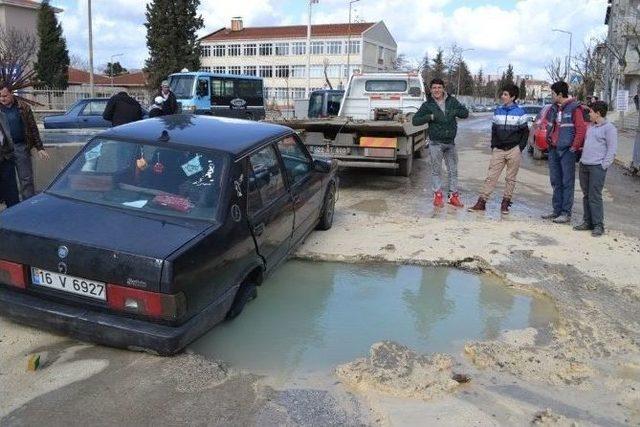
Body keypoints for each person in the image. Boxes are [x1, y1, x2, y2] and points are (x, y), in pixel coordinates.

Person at [469, 84, 529, 214]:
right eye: (503, 94)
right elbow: (494, 130)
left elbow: (525, 132)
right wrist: (493, 145)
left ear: (513, 97)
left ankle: (505, 204)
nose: (503, 96)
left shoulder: (520, 112)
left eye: (506, 94)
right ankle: (481, 202)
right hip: (499, 149)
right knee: (491, 177)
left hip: (514, 149)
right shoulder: (498, 110)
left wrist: (520, 148)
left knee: (510, 179)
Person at [412, 78, 469, 208]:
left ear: (443, 88)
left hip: (450, 143)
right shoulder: (428, 105)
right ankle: (437, 195)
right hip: (435, 143)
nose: (437, 90)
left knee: (453, 171)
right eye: (434, 88)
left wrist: (455, 111)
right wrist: (430, 117)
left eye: (439, 87)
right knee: (436, 170)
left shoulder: (452, 101)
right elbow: (415, 121)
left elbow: (465, 113)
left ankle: (453, 196)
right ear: (431, 90)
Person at [541, 81, 587, 224]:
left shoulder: (574, 108)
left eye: (553, 93)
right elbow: (549, 126)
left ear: (560, 94)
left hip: (567, 151)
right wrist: (549, 141)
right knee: (555, 181)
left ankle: (566, 213)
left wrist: (574, 147)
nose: (551, 95)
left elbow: (581, 130)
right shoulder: (553, 108)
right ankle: (557, 211)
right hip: (553, 149)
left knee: (567, 182)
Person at [574, 101, 617, 237]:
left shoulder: (609, 129)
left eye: (591, 112)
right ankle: (587, 222)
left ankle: (598, 225)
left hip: (597, 167)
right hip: (584, 165)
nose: (589, 114)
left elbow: (612, 150)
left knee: (595, 196)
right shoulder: (591, 127)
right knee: (586, 195)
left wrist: (604, 165)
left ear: (598, 113)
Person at [0, 84, 49, 200]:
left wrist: (40, 147)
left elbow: (33, 128)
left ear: (12, 93)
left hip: (21, 147)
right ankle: (13, 206)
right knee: (8, 182)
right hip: (4, 152)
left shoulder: (23, 108)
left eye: (5, 96)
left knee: (26, 180)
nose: (2, 99)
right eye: (0, 96)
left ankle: (28, 204)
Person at [0, 109, 19, 208]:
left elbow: (7, 136)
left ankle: (14, 216)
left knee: (12, 195)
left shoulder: (2, 115)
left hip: (7, 158)